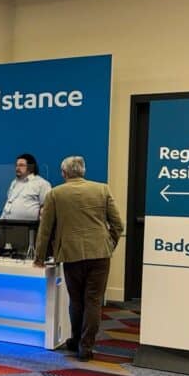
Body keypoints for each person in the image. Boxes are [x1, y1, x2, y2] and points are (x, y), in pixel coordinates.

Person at [33, 155, 123, 362]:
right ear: (83, 171)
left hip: (71, 254)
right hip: (100, 254)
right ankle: (86, 346)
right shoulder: (102, 189)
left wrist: (39, 258)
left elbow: (45, 230)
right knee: (93, 300)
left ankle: (75, 340)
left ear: (64, 173)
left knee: (76, 300)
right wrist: (108, 244)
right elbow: (118, 224)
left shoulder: (55, 194)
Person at [0, 153, 52, 221]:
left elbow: (46, 208)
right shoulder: (14, 183)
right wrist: (0, 221)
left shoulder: (42, 184)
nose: (17, 168)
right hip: (8, 225)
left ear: (31, 167)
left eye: (21, 165)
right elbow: (8, 204)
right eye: (16, 165)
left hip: (30, 226)